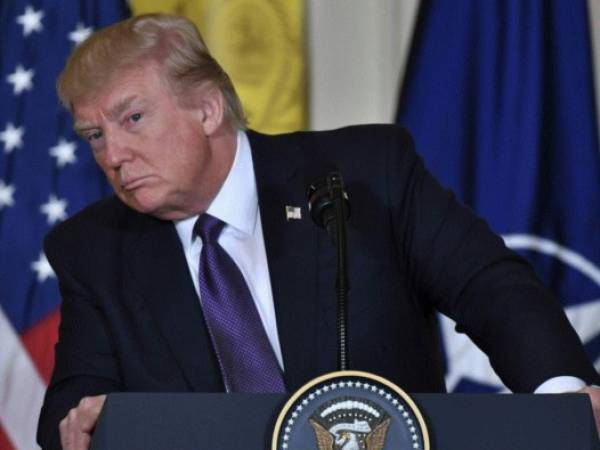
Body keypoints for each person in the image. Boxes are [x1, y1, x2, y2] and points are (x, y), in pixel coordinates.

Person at [37, 13, 600, 450]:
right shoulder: (93, 248)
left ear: (207, 110)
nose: (112, 155)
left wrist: (566, 405)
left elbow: (490, 289)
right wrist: (83, 422)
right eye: (93, 135)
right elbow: (72, 402)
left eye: (132, 119)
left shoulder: (363, 173)